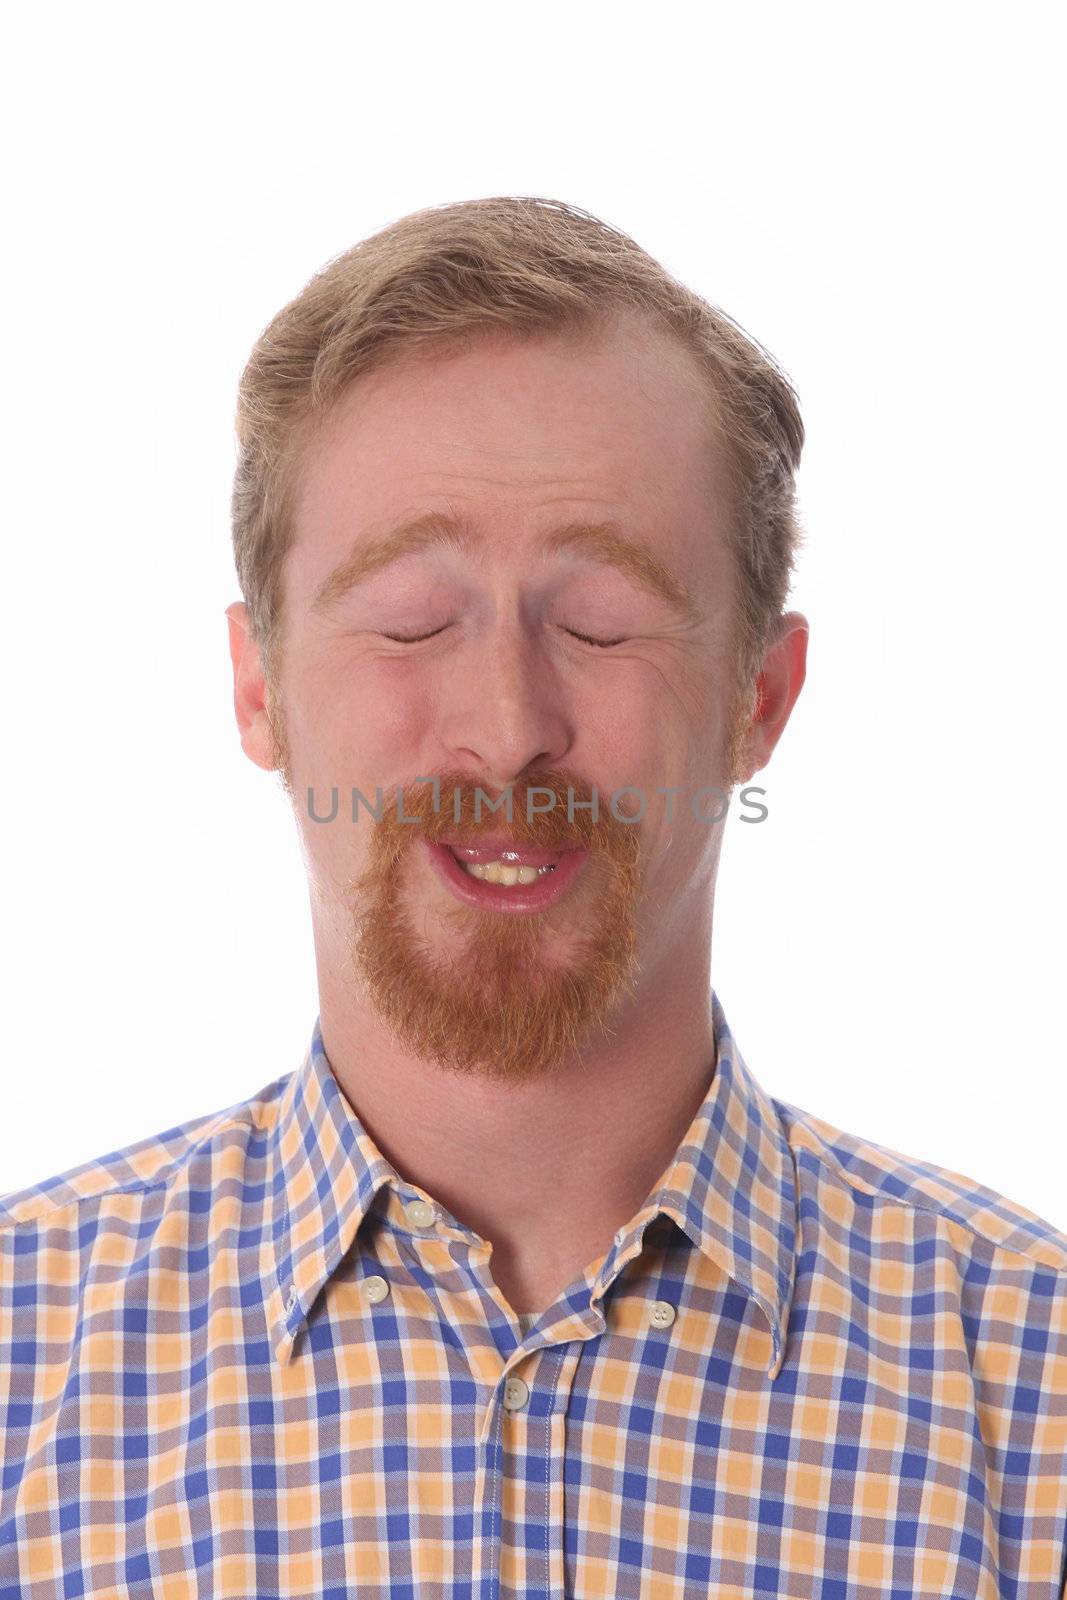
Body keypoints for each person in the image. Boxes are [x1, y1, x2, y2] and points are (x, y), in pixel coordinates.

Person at [2, 196, 1064, 1600]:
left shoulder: (1036, 1395)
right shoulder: (22, 1363)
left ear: (763, 695)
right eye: (412, 620)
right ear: (259, 687)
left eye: (601, 623)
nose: (507, 730)